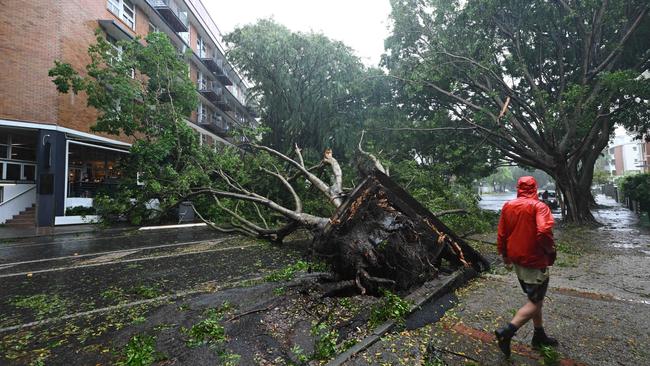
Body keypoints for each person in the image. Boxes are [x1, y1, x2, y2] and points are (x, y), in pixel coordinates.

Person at [494, 176, 558, 357]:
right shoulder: (539, 207)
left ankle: (539, 334)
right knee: (535, 301)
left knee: (535, 299)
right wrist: (549, 249)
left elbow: (502, 233)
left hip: (517, 260)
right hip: (534, 261)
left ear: (518, 188)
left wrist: (504, 255)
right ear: (535, 188)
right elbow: (544, 230)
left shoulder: (508, 206)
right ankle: (506, 332)